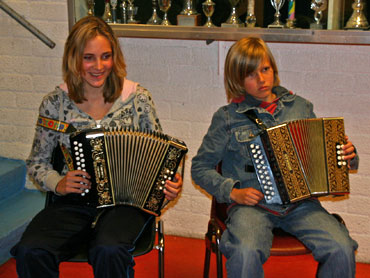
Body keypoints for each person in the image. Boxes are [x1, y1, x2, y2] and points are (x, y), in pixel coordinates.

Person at [11, 16, 183, 278]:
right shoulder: (54, 103)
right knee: (31, 250)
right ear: (73, 58)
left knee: (109, 249)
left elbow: (159, 160)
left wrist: (169, 184)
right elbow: (37, 163)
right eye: (88, 57)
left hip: (127, 205)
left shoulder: (137, 99)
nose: (99, 66)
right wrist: (58, 182)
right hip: (74, 201)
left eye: (106, 56)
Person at [191, 37, 359, 278]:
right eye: (250, 74)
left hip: (301, 204)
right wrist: (233, 192)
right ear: (237, 80)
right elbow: (200, 168)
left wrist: (347, 156)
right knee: (245, 252)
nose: (261, 79)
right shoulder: (227, 117)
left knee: (341, 248)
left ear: (273, 68)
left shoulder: (300, 107)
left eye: (265, 69)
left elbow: (324, 155)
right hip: (252, 207)